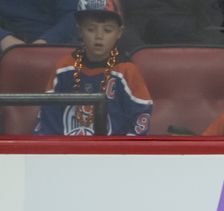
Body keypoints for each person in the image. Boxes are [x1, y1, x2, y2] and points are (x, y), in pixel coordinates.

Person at [34, 0, 153, 136]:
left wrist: (123, 152)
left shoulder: (127, 70)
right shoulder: (63, 68)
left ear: (119, 33)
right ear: (79, 31)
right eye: (91, 29)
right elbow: (48, 117)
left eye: (107, 30)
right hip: (66, 152)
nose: (99, 36)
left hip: (114, 154)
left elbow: (141, 117)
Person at [0, 0, 77, 52]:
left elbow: (71, 16)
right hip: (7, 45)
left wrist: (46, 42)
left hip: (55, 45)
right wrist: (4, 38)